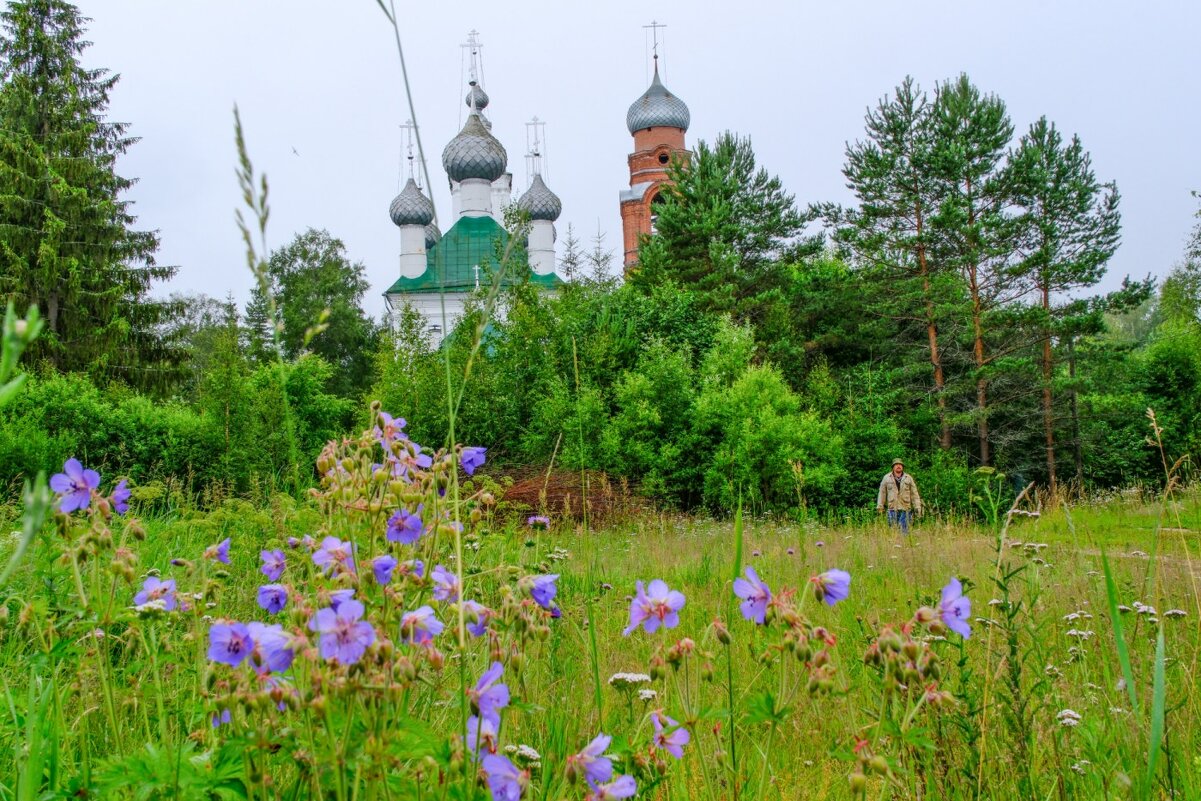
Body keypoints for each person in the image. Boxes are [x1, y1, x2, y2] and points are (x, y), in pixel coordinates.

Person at [877, 458, 922, 534]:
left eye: (900, 465)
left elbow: (914, 494)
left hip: (906, 509)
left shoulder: (908, 478)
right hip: (892, 509)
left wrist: (917, 507)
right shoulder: (886, 478)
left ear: (902, 467)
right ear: (893, 467)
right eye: (896, 465)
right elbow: (882, 493)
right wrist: (880, 506)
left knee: (904, 533)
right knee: (893, 532)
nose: (898, 466)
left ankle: (904, 545)